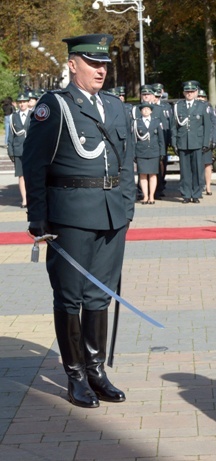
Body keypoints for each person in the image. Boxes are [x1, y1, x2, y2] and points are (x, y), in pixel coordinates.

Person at [22, 33, 135, 408]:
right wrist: (37, 217)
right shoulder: (54, 105)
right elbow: (34, 162)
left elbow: (126, 161)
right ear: (73, 65)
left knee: (99, 295)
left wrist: (127, 206)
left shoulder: (117, 107)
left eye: (104, 65)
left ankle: (96, 370)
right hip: (69, 216)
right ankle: (75, 376)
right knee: (70, 298)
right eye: (93, 64)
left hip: (111, 214)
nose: (101, 71)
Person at [171, 81, 212, 203]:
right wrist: (174, 142)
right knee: (185, 171)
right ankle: (186, 194)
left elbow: (207, 126)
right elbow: (174, 126)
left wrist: (205, 143)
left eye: (192, 91)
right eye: (187, 91)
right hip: (183, 142)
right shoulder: (178, 106)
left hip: (197, 142)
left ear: (196, 93)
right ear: (184, 92)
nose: (189, 94)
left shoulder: (203, 106)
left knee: (197, 170)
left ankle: (196, 194)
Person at [134, 102, 165, 204]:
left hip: (154, 152)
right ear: (141, 111)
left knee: (152, 175)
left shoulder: (156, 122)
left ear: (151, 111)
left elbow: (161, 139)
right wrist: (134, 154)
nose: (146, 110)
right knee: (142, 175)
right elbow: (134, 140)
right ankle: (145, 196)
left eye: (148, 109)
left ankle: (151, 196)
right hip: (141, 152)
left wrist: (162, 152)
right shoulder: (136, 123)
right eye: (143, 109)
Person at [7, 93, 30, 208]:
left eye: (24, 101)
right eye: (20, 102)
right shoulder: (13, 117)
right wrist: (10, 151)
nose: (22, 104)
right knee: (21, 176)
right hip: (18, 150)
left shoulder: (34, 115)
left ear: (28, 103)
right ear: (18, 104)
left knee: (32, 175)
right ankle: (24, 200)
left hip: (31, 151)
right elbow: (11, 135)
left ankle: (32, 198)